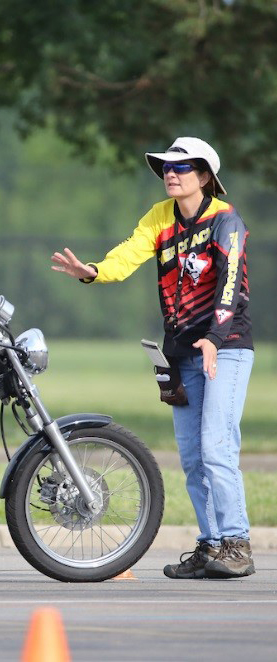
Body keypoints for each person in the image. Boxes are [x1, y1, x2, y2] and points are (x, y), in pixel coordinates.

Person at [51, 137, 255, 579]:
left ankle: (237, 544)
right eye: (166, 165)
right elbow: (129, 253)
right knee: (193, 458)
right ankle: (212, 545)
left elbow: (230, 284)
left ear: (204, 177)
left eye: (182, 167)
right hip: (183, 352)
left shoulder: (227, 221)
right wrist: (95, 271)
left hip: (227, 347)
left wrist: (216, 339)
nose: (171, 172)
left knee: (218, 448)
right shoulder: (160, 218)